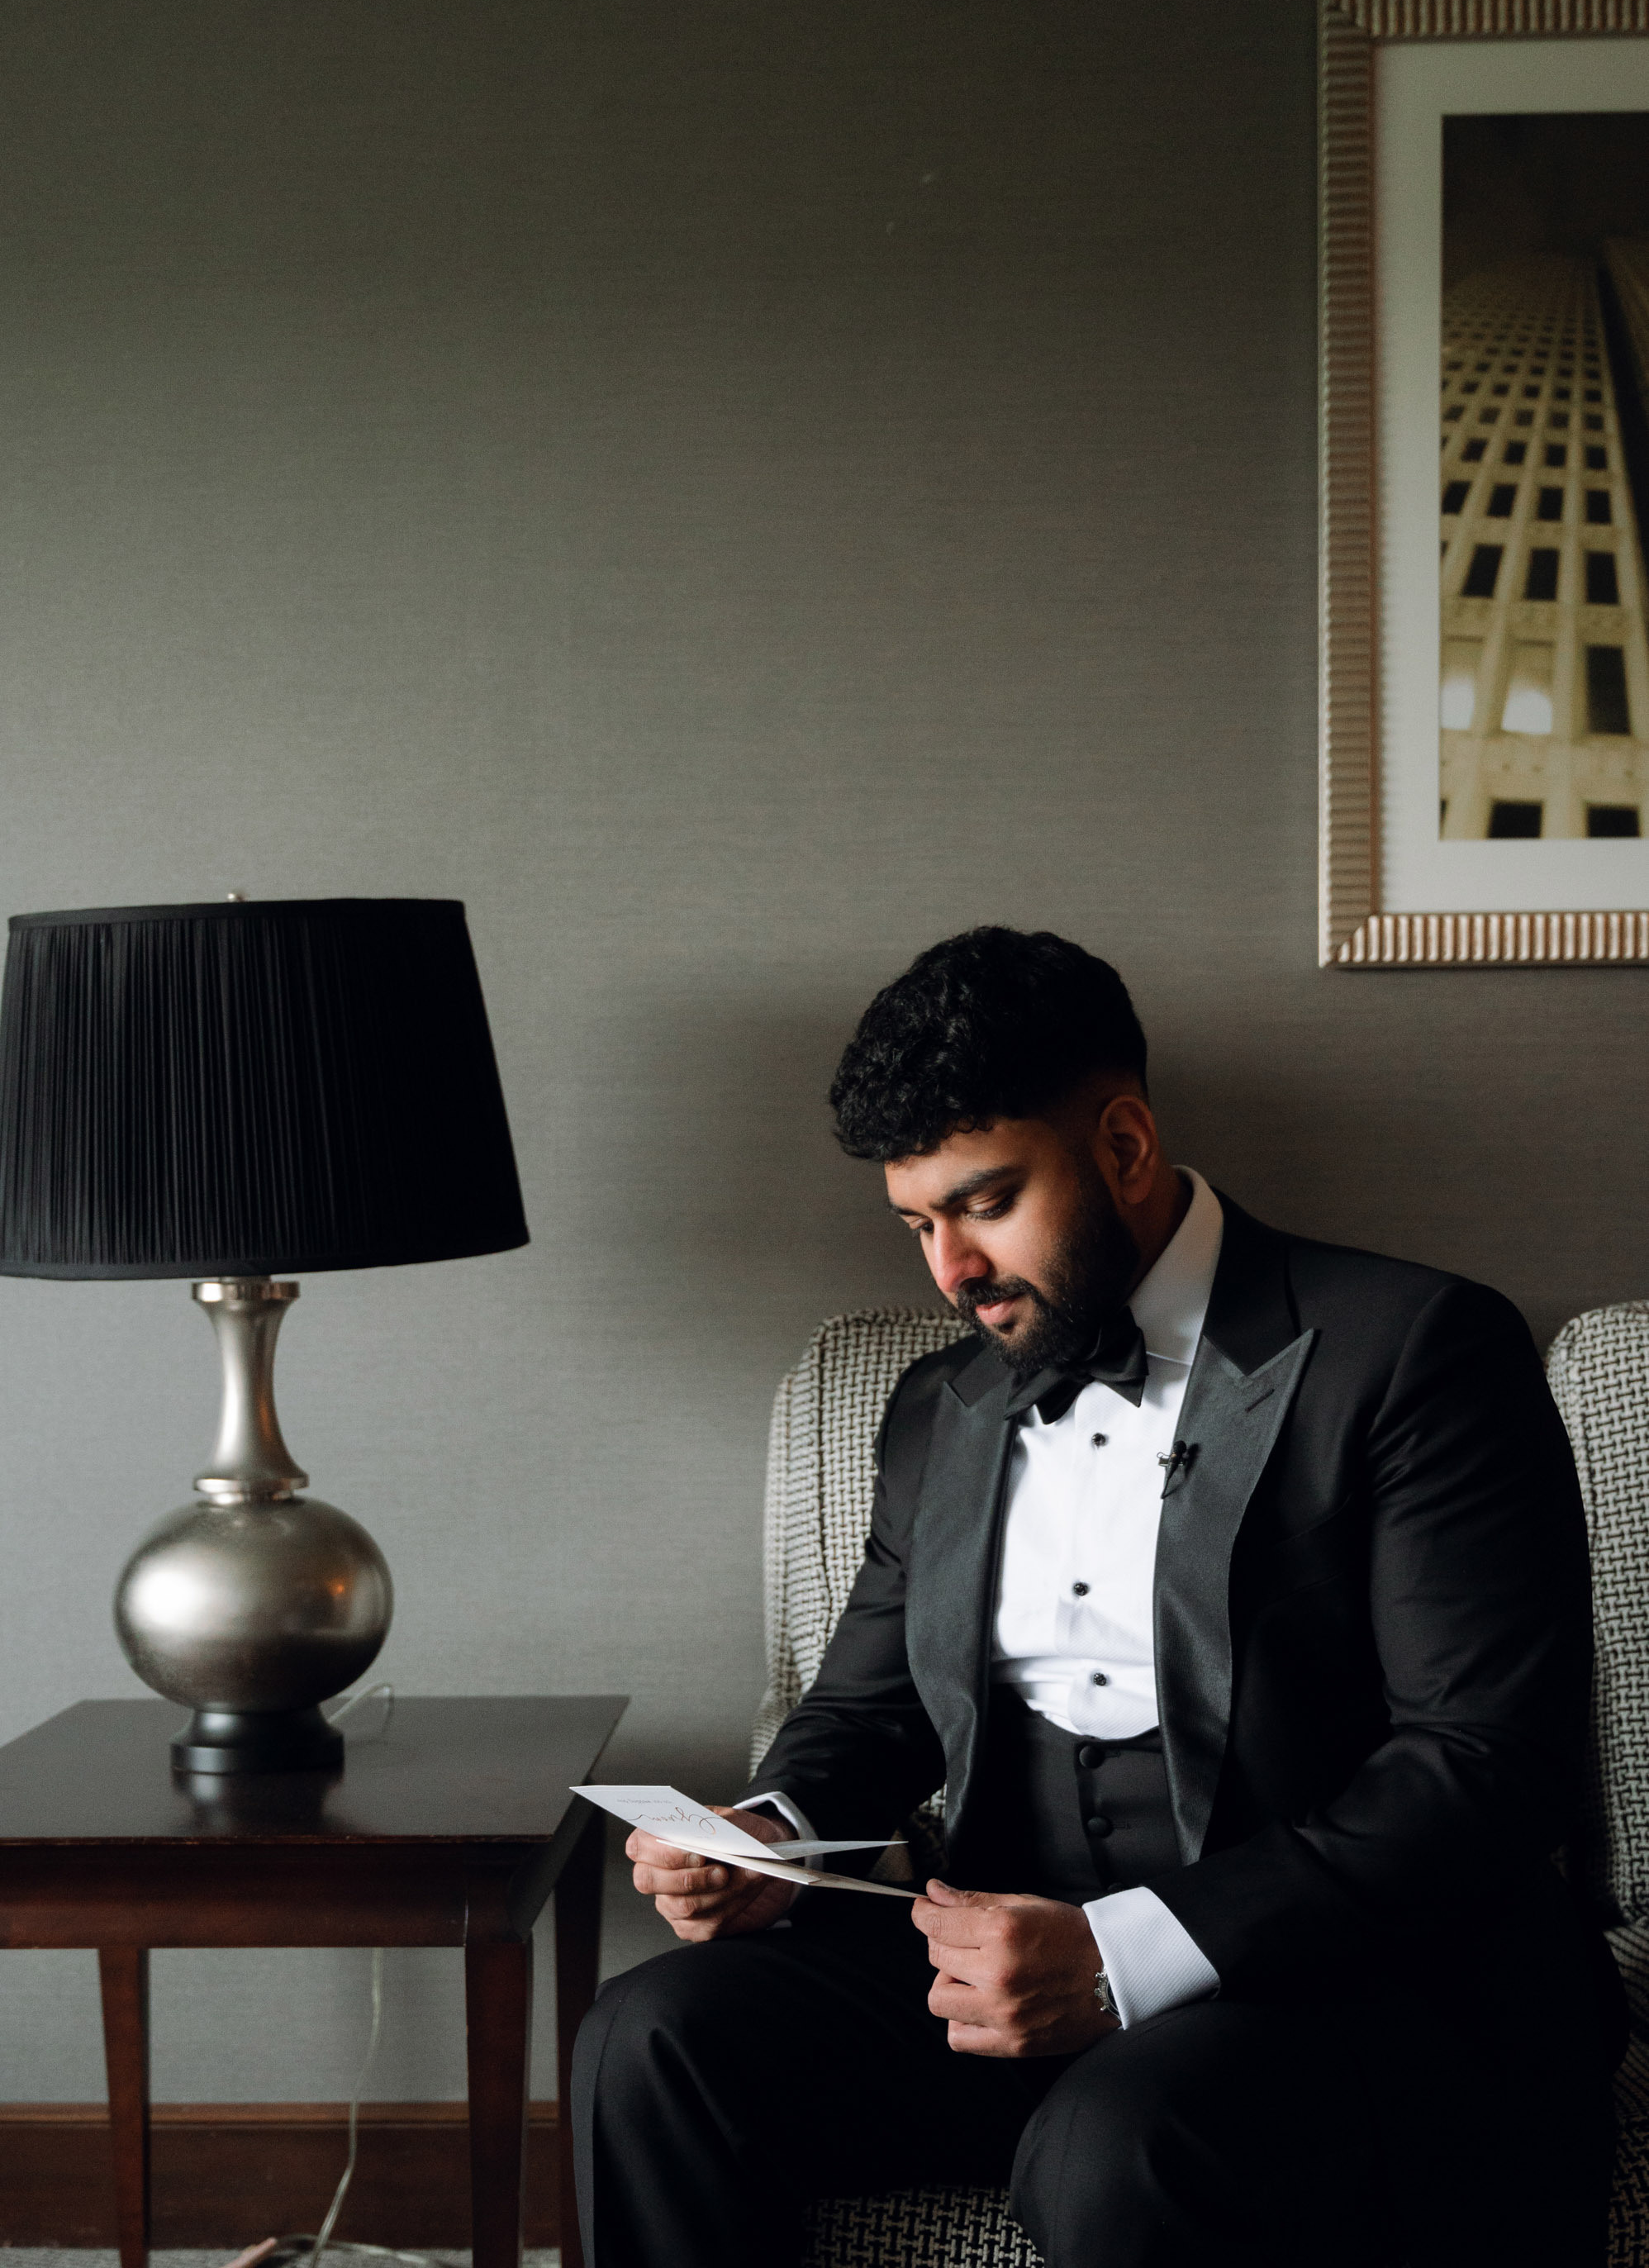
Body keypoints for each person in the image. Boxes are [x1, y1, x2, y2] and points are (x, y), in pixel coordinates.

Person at [573, 926, 1624, 2267]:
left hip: (1358, 1979)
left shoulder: (1416, 1350)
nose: (949, 1271)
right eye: (918, 1223)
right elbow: (862, 1715)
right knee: (646, 2041)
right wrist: (768, 1839)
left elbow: (1485, 1766)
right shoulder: (936, 1405)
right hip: (1003, 1963)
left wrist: (1126, 1955)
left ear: (1124, 1145)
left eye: (985, 1203)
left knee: (1115, 2144)